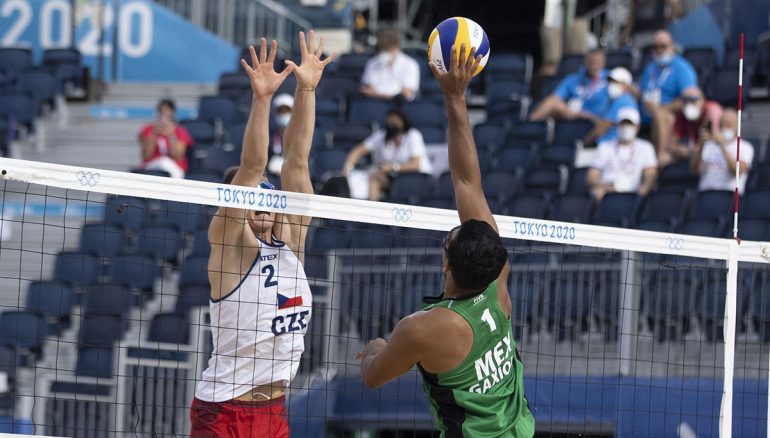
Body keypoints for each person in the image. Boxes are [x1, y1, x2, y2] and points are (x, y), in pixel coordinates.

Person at [356, 44, 535, 437]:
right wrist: (456, 96)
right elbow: (468, 180)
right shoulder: (496, 278)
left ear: (447, 263)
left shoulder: (422, 328)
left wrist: (374, 348)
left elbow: (372, 377)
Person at [190, 32, 334, 438]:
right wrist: (263, 99)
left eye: (267, 197)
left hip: (274, 411)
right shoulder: (228, 243)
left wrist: (306, 89)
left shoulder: (292, 240)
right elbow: (252, 166)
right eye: (251, 198)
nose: (262, 203)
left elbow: (297, 161)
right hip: (224, 412)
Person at [342, 109, 432, 201]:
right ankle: (372, 210)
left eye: (396, 122)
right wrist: (347, 168)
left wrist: (393, 167)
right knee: (374, 178)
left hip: (416, 177)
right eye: (390, 122)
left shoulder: (413, 135)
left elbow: (416, 165)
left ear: (403, 122)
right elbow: (358, 150)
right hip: (394, 178)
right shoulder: (382, 136)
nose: (392, 125)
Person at [635, 30, 697, 154]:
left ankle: (661, 156)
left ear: (672, 46)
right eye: (656, 47)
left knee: (659, 115)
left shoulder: (682, 68)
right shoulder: (650, 67)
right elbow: (641, 91)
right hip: (645, 115)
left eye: (663, 46)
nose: (659, 50)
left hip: (671, 115)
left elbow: (690, 99)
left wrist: (661, 108)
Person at [587, 107, 658, 201]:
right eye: (623, 124)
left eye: (629, 124)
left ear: (637, 127)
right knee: (597, 193)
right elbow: (592, 175)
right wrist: (601, 186)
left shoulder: (645, 147)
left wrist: (641, 193)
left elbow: (650, 174)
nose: (625, 127)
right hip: (606, 192)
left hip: (631, 193)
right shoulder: (604, 147)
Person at [529, 49, 610, 122]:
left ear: (603, 64)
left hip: (598, 120)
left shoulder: (610, 78)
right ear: (585, 62)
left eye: (597, 63)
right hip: (575, 115)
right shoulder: (573, 79)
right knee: (552, 101)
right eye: (591, 62)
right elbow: (556, 97)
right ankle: (528, 125)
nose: (594, 66)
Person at [691, 109, 753, 194]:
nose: (725, 127)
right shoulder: (708, 145)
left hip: (729, 195)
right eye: (723, 124)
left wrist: (722, 146)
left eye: (729, 124)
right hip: (705, 194)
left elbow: (737, 172)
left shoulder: (745, 147)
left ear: (737, 126)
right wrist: (701, 145)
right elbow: (695, 170)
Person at [664, 86, 723, 166]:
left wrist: (696, 149)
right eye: (685, 101)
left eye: (693, 100)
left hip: (716, 155)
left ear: (702, 100)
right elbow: (671, 144)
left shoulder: (712, 111)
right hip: (695, 154)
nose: (689, 104)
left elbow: (717, 140)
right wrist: (679, 149)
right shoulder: (682, 114)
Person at [138, 99, 193, 178]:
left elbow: (178, 155)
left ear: (173, 113)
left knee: (166, 163)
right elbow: (146, 155)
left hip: (175, 167)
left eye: (168, 111)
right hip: (152, 165)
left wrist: (171, 135)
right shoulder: (149, 129)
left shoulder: (180, 131)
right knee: (164, 162)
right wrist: (154, 134)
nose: (164, 114)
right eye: (162, 111)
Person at [360, 28, 420, 101]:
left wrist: (377, 94)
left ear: (396, 48)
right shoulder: (372, 63)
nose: (385, 53)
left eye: (388, 49)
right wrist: (392, 96)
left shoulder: (411, 64)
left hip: (400, 107)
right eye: (383, 49)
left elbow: (406, 94)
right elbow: (368, 90)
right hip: (376, 104)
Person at [588, 67, 639, 144]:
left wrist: (585, 142)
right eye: (611, 82)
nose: (612, 85)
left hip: (612, 145)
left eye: (616, 82)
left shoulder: (624, 100)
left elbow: (602, 128)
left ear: (626, 85)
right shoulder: (613, 99)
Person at [268, 93, 294, 175]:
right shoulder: (269, 134)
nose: (283, 114)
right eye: (280, 111)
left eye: (286, 111)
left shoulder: (299, 136)